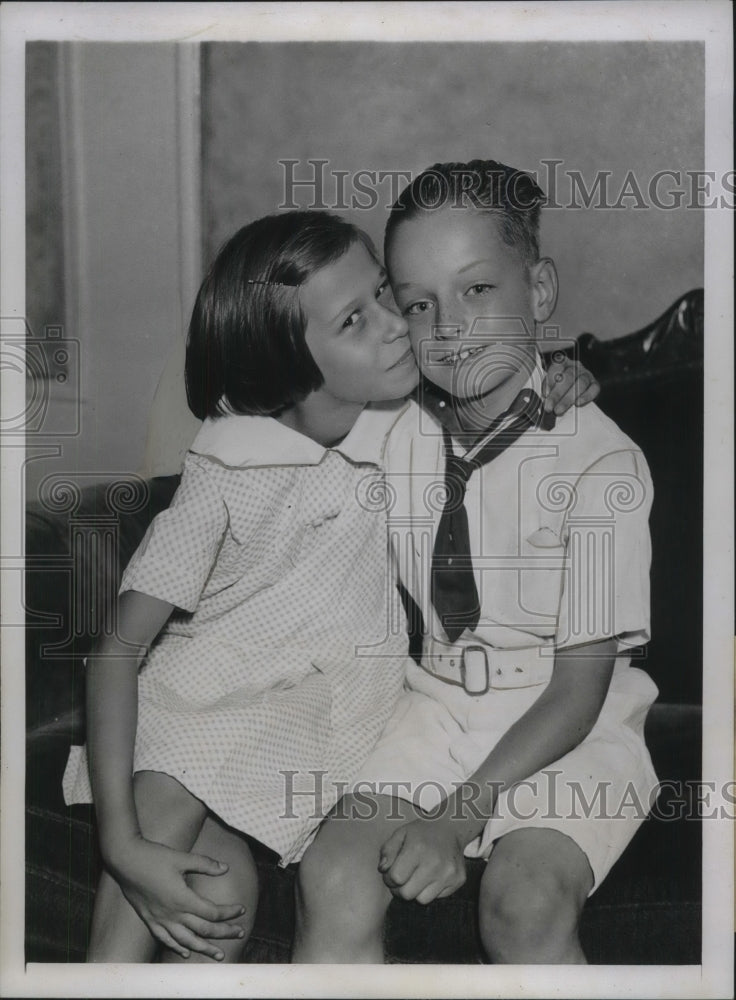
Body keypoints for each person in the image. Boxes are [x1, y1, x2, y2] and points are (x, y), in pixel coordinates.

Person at [62, 206, 594, 964]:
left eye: (384, 292)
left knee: (222, 906)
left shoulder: (418, 425)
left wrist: (561, 377)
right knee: (168, 795)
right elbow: (116, 652)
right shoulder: (228, 468)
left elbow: (510, 394)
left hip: (323, 737)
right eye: (355, 319)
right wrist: (120, 844)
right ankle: (100, 976)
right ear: (288, 365)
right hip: (205, 710)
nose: (393, 322)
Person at [294, 161, 659, 965]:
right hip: (431, 709)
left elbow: (579, 688)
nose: (449, 327)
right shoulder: (388, 431)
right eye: (419, 303)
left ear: (539, 291)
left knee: (523, 899)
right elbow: (274, 398)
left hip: (572, 727)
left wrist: (460, 818)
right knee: (333, 874)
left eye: (478, 291)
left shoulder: (602, 465)